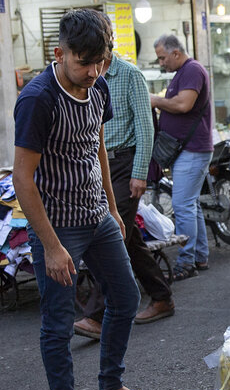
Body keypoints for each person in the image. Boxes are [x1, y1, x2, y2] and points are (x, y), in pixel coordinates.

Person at [13, 8, 158, 390]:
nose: (93, 72)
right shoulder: (38, 98)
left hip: (97, 215)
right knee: (58, 323)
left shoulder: (99, 88)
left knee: (127, 295)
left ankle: (110, 387)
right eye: (84, 63)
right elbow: (22, 177)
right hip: (57, 227)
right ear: (59, 53)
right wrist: (52, 245)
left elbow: (96, 144)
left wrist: (112, 208)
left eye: (101, 62)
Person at [74, 51, 175, 339]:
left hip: (125, 164)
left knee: (110, 235)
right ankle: (162, 296)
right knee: (129, 238)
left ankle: (97, 313)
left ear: (109, 42)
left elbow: (146, 128)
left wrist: (140, 173)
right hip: (97, 164)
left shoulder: (129, 75)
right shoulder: (84, 74)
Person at [150, 33, 213, 280]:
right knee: (191, 204)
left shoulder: (192, 70)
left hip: (193, 149)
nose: (161, 63)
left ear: (176, 53)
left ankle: (187, 262)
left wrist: (156, 100)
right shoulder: (182, 72)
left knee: (182, 205)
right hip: (188, 149)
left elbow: (184, 105)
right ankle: (199, 256)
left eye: (162, 57)